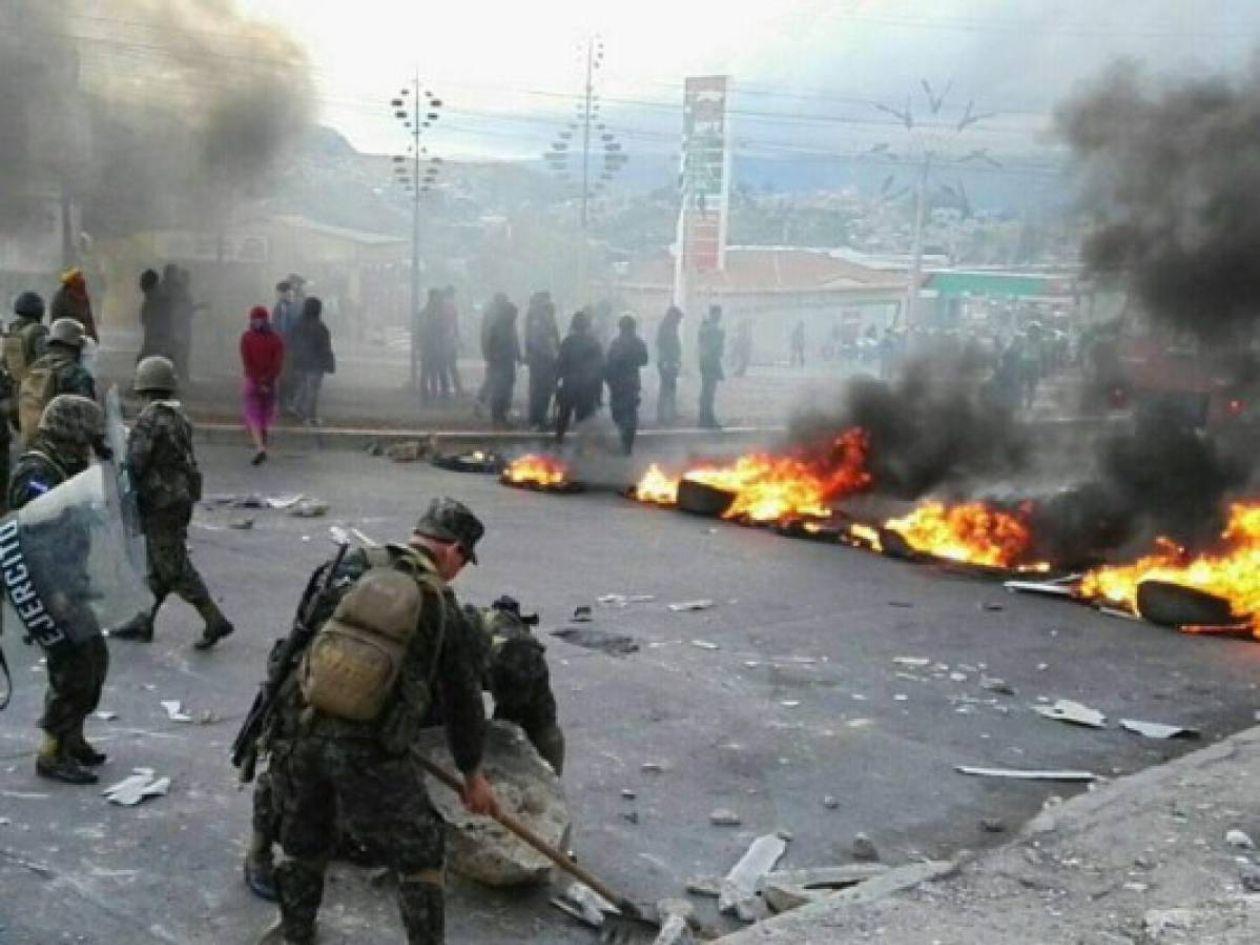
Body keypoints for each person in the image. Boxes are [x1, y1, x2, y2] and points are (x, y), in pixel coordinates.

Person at [262, 498, 499, 945]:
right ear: (452, 550)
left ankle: (295, 933)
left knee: (304, 840)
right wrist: (473, 775)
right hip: (367, 754)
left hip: (301, 732)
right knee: (422, 849)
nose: (460, 570)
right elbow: (463, 700)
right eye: (464, 560)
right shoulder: (440, 606)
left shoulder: (344, 569)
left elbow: (293, 648)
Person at [244, 592, 563, 902]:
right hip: (331, 682)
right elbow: (442, 715)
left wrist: (547, 811)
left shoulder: (524, 658)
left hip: (433, 682)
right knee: (312, 767)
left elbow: (542, 733)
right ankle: (260, 851)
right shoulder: (425, 645)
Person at [8, 395, 110, 784]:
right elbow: (37, 540)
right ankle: (51, 752)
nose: (91, 443)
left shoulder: (63, 464)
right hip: (48, 587)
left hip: (67, 581)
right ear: (70, 430)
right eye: (87, 435)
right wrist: (56, 594)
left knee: (92, 659)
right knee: (73, 666)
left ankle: (72, 736)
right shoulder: (38, 471)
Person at [110, 356, 235, 649]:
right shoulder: (179, 417)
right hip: (180, 496)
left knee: (173, 566)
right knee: (159, 563)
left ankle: (214, 618)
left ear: (144, 387)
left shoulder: (150, 419)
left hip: (159, 500)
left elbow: (136, 462)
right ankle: (144, 620)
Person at [18, 318, 97, 446]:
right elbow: (88, 416)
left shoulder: (35, 367)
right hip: (64, 448)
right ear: (76, 346)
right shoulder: (77, 373)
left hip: (33, 441)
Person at [240, 306, 285, 466]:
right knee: (265, 415)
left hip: (253, 382)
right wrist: (267, 380)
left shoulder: (246, 338)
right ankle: (262, 445)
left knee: (253, 415)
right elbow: (277, 363)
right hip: (270, 384)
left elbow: (247, 362)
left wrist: (258, 380)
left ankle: (260, 447)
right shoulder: (276, 339)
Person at [554, 310, 605, 444]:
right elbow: (599, 370)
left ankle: (559, 441)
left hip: (569, 385)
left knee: (563, 416)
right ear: (587, 325)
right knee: (584, 420)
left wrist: (556, 384)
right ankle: (581, 448)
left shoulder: (567, 342)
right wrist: (598, 395)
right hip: (587, 388)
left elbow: (559, 365)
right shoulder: (594, 343)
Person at [604, 315, 649, 455]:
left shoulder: (618, 343)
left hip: (623, 385)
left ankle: (626, 444)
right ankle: (625, 443)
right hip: (625, 384)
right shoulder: (622, 343)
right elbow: (644, 360)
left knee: (625, 413)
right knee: (625, 414)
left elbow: (644, 359)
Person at [287, 297, 336, 425]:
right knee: (312, 391)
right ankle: (309, 417)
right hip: (315, 363)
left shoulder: (298, 324)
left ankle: (296, 407)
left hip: (299, 361)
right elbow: (325, 347)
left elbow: (291, 342)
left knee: (302, 387)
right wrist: (328, 363)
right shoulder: (319, 327)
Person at [524, 291, 560, 430]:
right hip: (542, 360)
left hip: (541, 359)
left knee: (539, 390)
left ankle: (537, 418)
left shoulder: (538, 317)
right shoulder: (538, 319)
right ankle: (538, 419)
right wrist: (552, 355)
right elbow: (540, 341)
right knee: (541, 390)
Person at [484, 298, 521, 426]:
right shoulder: (498, 327)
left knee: (507, 390)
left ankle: (503, 415)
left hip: (507, 363)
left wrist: (519, 357)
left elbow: (514, 344)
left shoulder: (509, 327)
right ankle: (497, 416)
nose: (514, 318)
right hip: (500, 364)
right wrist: (494, 359)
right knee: (499, 390)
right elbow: (491, 346)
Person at [49, 268, 98, 344]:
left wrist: (94, 338)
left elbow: (89, 320)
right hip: (64, 340)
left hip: (82, 340)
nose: (82, 281)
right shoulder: (60, 297)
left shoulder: (84, 297)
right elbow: (55, 322)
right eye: (78, 278)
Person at [697, 304, 725, 429]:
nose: (720, 317)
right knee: (708, 392)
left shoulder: (706, 327)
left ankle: (705, 418)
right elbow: (713, 347)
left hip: (707, 362)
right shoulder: (711, 329)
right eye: (718, 314)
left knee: (707, 392)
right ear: (713, 314)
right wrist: (720, 336)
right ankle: (706, 418)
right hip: (710, 363)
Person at [655, 306, 683, 426]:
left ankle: (670, 412)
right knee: (666, 388)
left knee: (670, 388)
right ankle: (662, 415)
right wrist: (667, 361)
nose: (679, 321)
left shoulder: (670, 327)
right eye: (678, 318)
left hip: (670, 361)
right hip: (667, 362)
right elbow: (662, 345)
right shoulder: (665, 328)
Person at [417, 289, 444, 402]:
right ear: (432, 297)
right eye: (437, 297)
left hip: (431, 346)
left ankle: (429, 395)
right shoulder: (431, 313)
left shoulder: (427, 312)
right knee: (429, 371)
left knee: (430, 372)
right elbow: (427, 329)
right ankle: (428, 395)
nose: (439, 299)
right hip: (431, 346)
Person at [137, 269, 169, 362]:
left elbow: (148, 321)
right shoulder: (154, 298)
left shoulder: (156, 299)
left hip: (157, 341)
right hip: (155, 341)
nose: (140, 285)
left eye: (143, 281)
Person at [439, 286, 463, 397]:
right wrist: (458, 338)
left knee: (444, 366)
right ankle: (457, 388)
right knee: (452, 366)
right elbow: (455, 323)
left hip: (443, 340)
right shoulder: (450, 306)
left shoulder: (441, 305)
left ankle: (446, 389)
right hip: (449, 340)